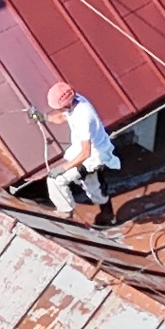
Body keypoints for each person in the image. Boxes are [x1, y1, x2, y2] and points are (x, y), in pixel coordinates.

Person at [42, 81, 120, 224]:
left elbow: (86, 153)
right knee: (94, 187)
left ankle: (65, 211)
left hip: (91, 159)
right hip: (96, 152)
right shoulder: (77, 100)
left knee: (55, 180)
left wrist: (63, 168)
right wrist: (43, 117)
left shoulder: (84, 117)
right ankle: (108, 215)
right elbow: (62, 117)